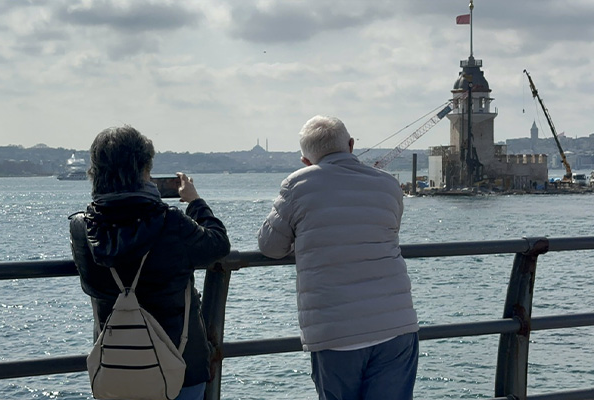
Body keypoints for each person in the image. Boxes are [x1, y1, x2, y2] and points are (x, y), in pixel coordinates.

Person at [257, 115, 419, 400]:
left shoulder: (297, 184)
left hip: (336, 333)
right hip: (397, 326)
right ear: (352, 146)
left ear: (306, 161)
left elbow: (270, 246)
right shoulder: (388, 185)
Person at [69, 126, 230, 400]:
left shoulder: (81, 228)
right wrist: (195, 202)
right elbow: (218, 245)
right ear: (145, 170)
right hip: (181, 365)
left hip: (116, 367)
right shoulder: (172, 223)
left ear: (95, 171)